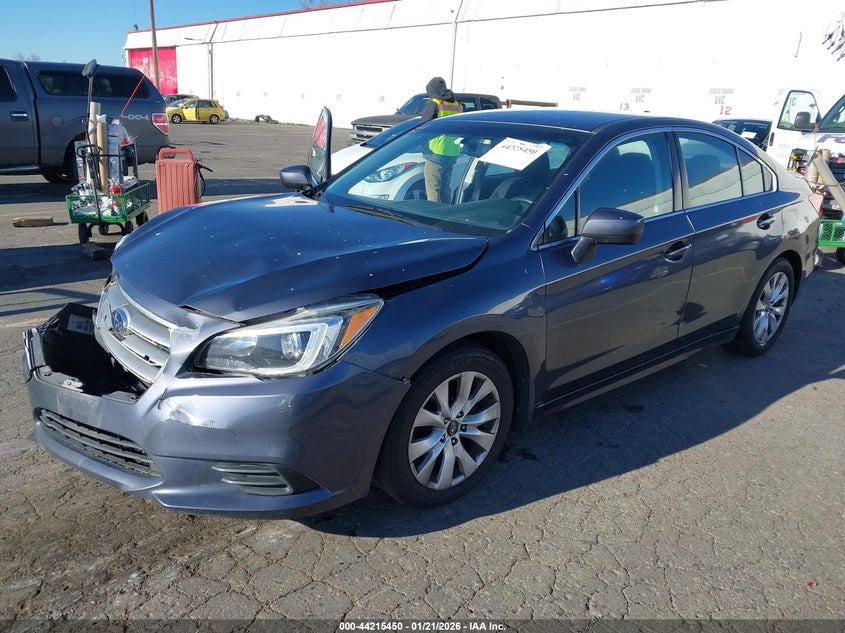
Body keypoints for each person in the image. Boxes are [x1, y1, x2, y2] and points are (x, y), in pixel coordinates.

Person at [419, 77, 463, 202]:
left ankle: (432, 217)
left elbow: (422, 127)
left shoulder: (435, 103)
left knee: (433, 190)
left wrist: (421, 146)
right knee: (445, 188)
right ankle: (445, 213)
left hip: (435, 152)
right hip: (452, 153)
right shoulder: (457, 105)